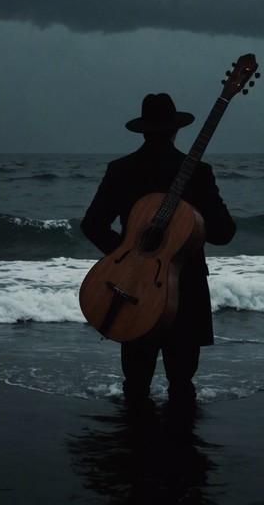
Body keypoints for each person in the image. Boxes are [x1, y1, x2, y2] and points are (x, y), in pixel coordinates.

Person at [81, 92, 236, 408]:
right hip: (186, 289)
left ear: (143, 130)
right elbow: (224, 233)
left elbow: (92, 225)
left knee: (135, 385)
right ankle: (183, 451)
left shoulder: (120, 169)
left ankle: (134, 449)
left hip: (132, 283)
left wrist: (128, 253)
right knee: (182, 385)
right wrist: (192, 228)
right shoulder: (198, 172)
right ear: (175, 129)